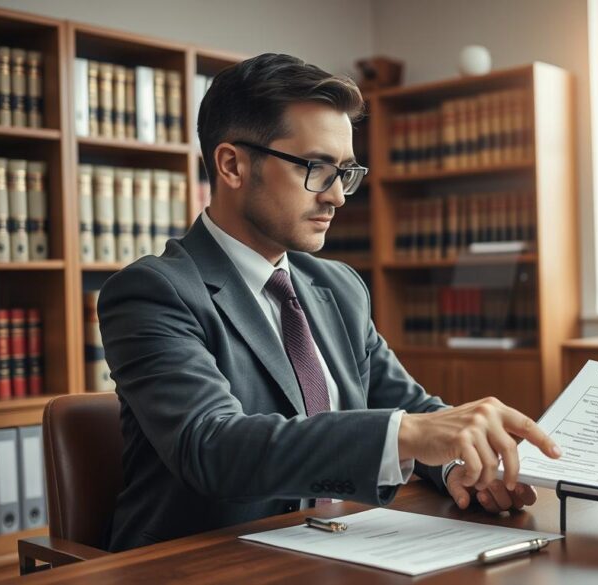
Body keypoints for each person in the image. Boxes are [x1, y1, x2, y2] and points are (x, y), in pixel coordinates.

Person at [98, 53, 560, 552]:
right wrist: (409, 433)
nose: (338, 197)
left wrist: (460, 465)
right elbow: (212, 445)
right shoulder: (152, 292)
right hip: (203, 563)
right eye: (317, 169)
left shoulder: (339, 287)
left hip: (343, 550)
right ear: (232, 165)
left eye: (345, 172)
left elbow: (408, 410)